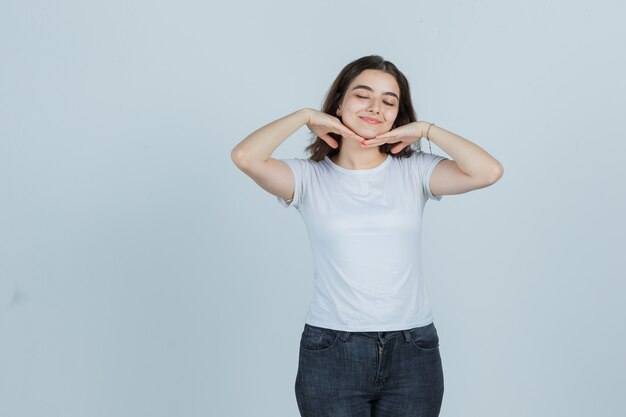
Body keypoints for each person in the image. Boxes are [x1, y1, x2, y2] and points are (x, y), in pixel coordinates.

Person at [231, 55, 503, 417]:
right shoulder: (308, 178)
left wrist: (425, 130)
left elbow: (489, 171)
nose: (376, 107)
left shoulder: (415, 171)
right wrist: (306, 116)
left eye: (389, 101)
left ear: (397, 115)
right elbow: (246, 156)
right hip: (333, 348)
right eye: (363, 95)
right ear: (339, 103)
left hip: (413, 348)